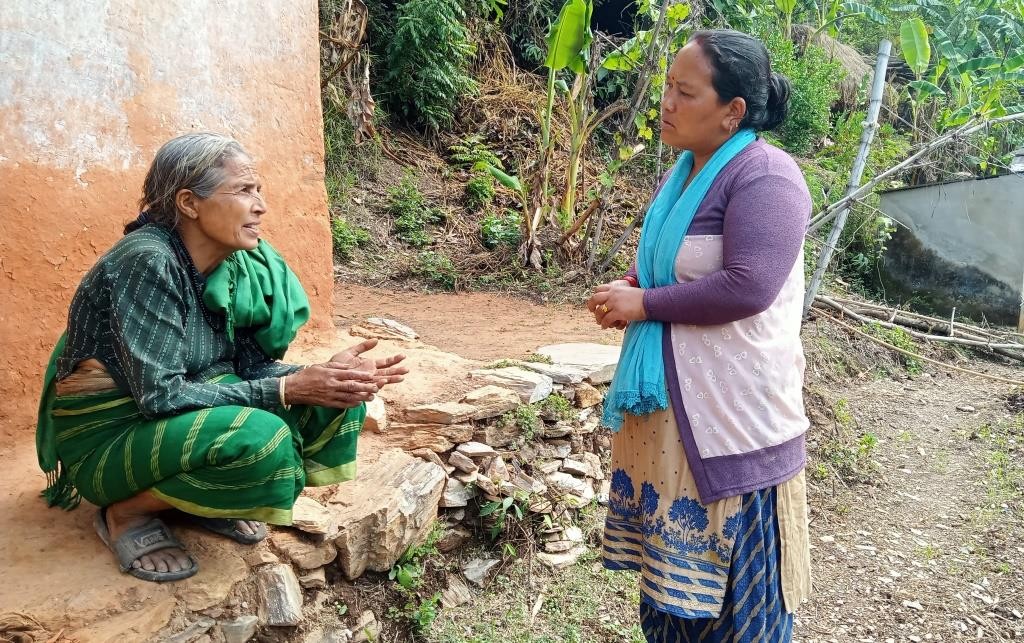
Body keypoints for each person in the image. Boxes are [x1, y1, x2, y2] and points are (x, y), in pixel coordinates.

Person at [35, 132, 408, 582]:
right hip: (115, 434)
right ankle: (127, 513)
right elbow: (159, 396)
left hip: (177, 417)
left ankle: (199, 500)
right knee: (260, 438)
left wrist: (324, 375)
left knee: (337, 400)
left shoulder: (234, 264)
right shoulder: (146, 261)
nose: (260, 206)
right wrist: (290, 387)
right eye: (244, 190)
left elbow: (247, 369)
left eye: (259, 190)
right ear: (190, 203)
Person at [587, 30, 812, 642]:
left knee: (737, 612)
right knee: (670, 601)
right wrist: (631, 285)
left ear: (732, 111)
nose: (666, 102)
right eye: (667, 86)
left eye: (684, 92)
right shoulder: (688, 172)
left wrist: (646, 304)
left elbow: (748, 286)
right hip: (674, 427)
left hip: (731, 430)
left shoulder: (766, 176)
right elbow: (670, 261)